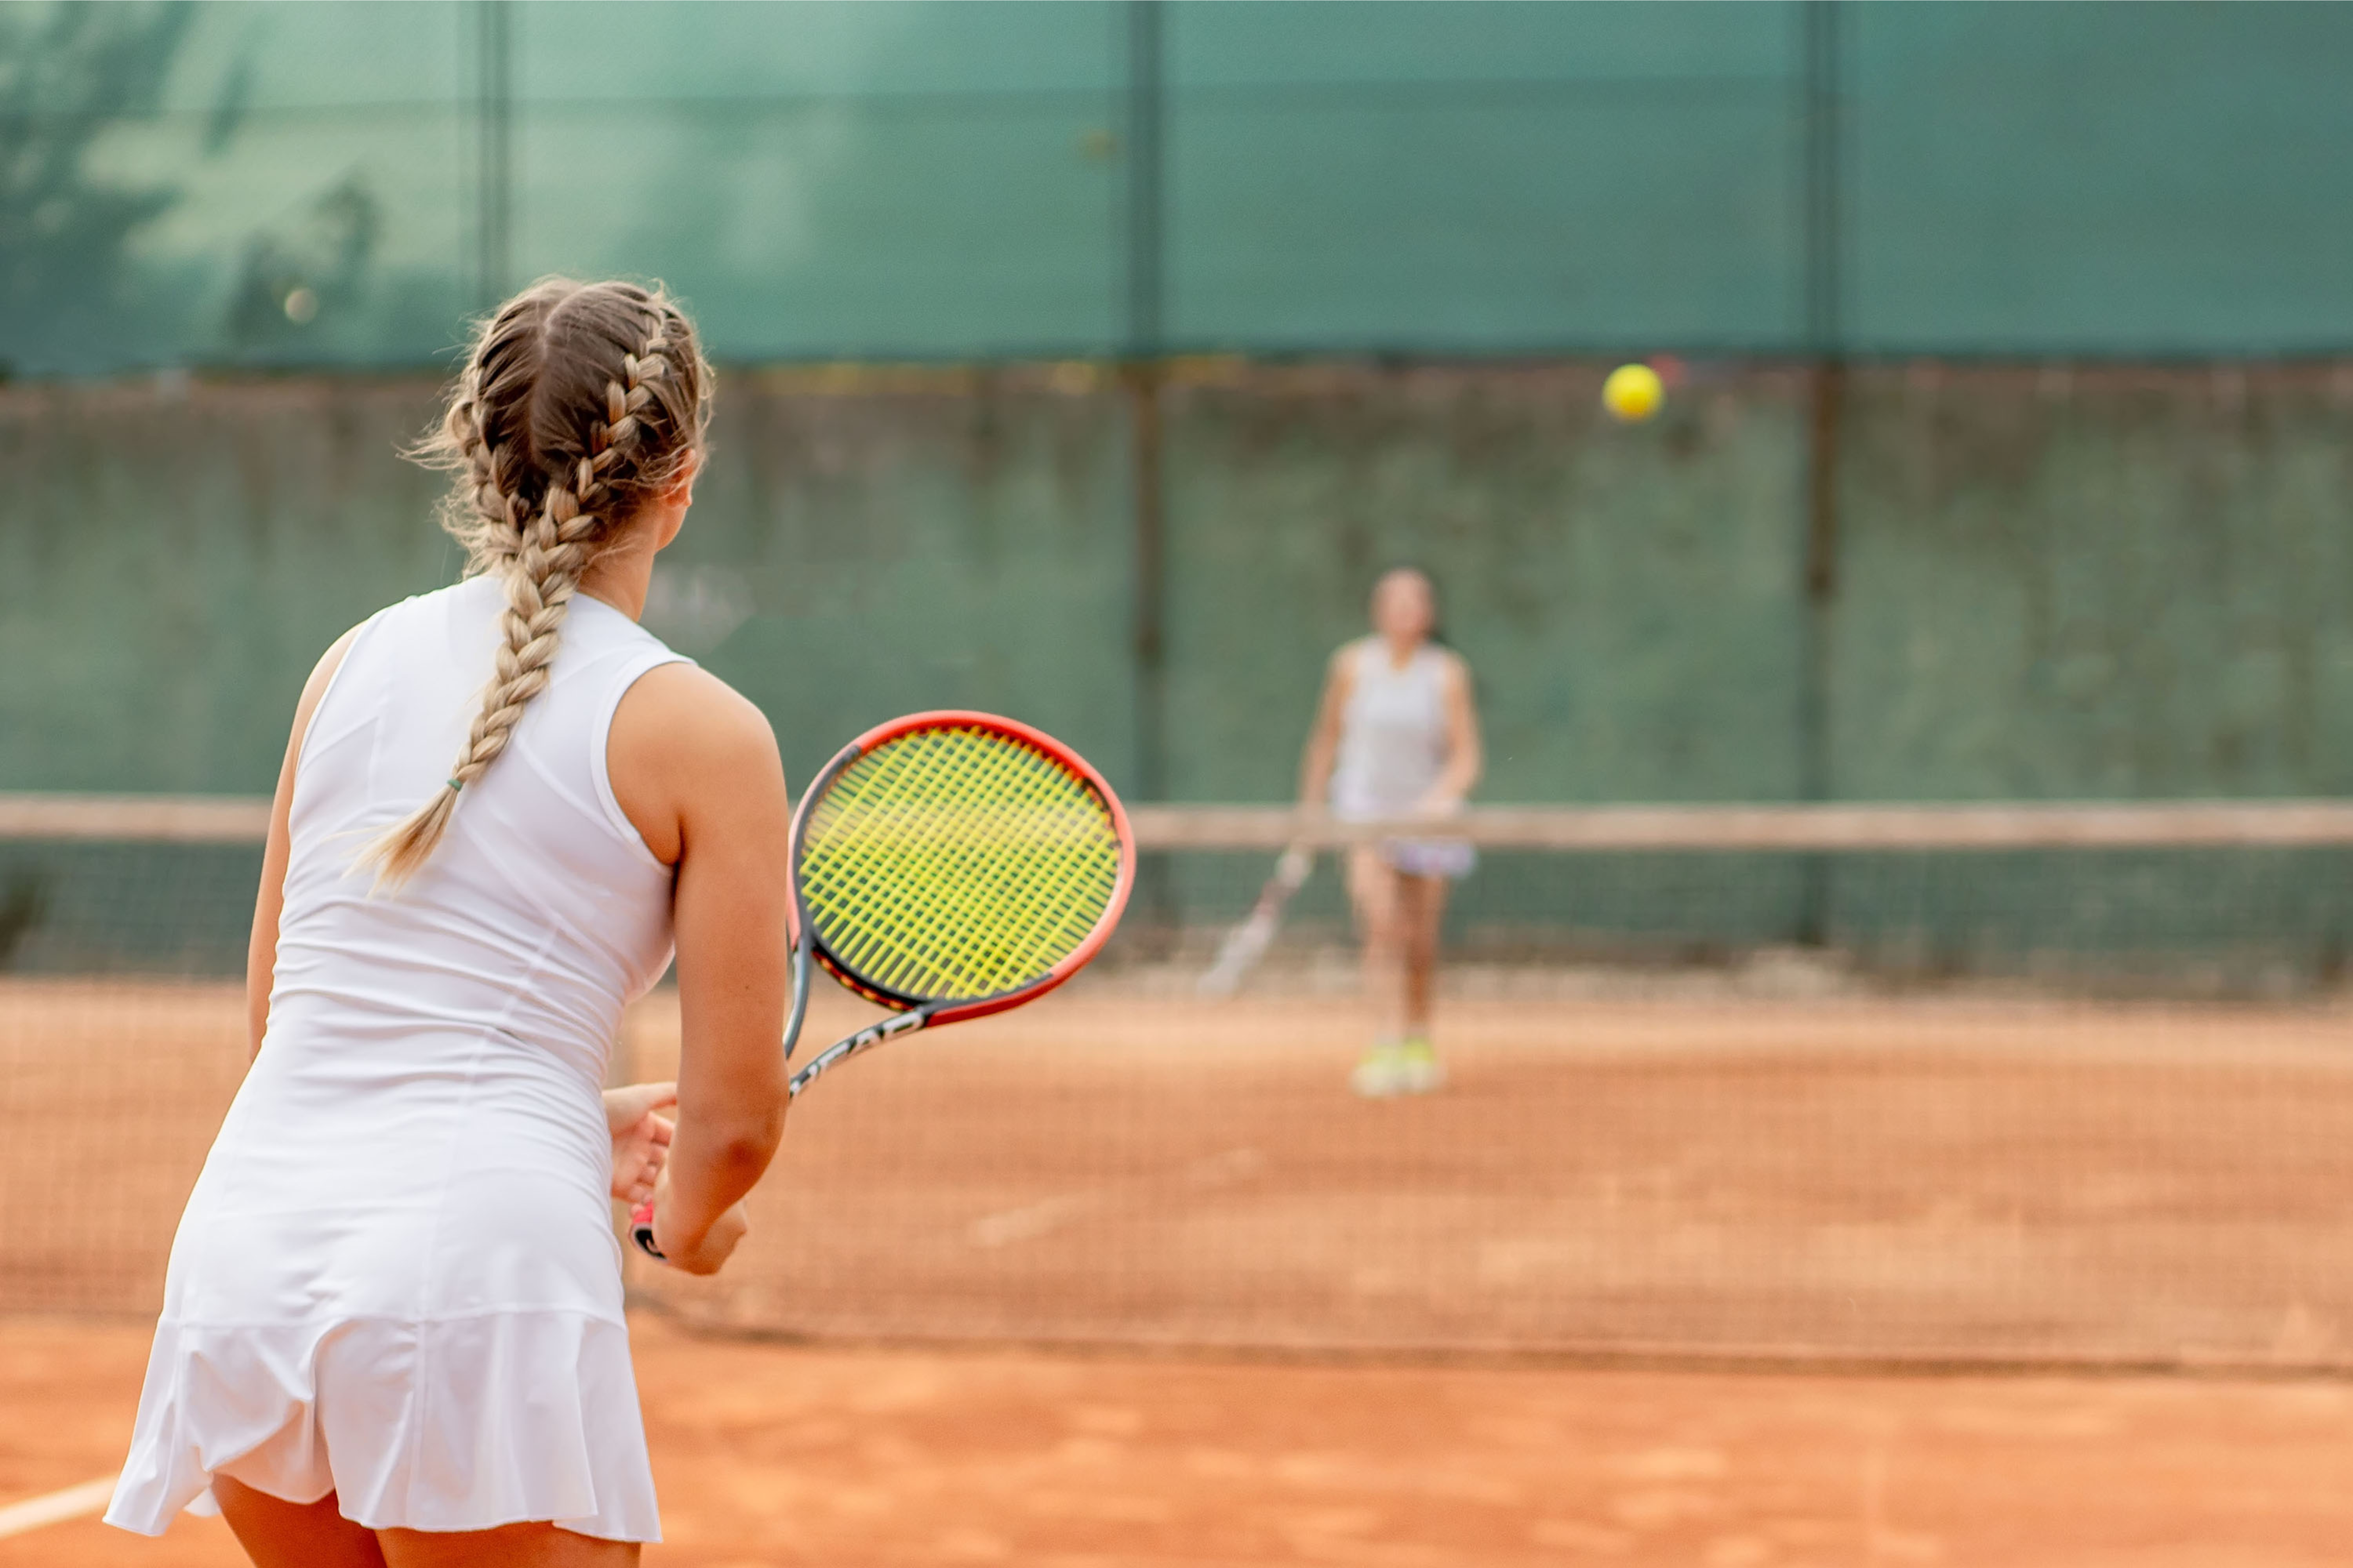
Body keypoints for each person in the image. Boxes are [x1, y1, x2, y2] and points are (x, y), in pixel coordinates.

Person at [105, 279, 794, 1566]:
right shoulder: (709, 731)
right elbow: (738, 1123)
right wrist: (692, 1227)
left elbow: (293, 1028)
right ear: (681, 478)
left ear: (476, 463)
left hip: (247, 1262)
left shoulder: (348, 662)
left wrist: (562, 1112)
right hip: (474, 1278)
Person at [1297, 567, 1484, 1097]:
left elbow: (1466, 756)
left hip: (1429, 821)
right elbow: (1326, 740)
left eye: (1416, 600)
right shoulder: (1352, 665)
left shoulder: (1448, 673)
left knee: (1420, 941)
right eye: (1395, 601)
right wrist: (1310, 811)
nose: (1406, 610)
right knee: (1381, 927)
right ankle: (1386, 1040)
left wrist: (1436, 803)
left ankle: (1419, 1038)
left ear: (1430, 613)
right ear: (1378, 611)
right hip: (1364, 813)